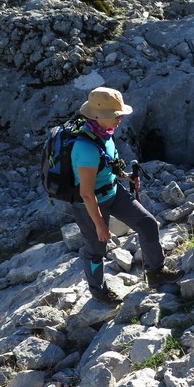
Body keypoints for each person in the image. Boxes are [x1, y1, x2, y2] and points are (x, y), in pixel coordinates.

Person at [72, 86, 183, 304]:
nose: (120, 118)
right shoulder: (85, 148)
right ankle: (99, 292)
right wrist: (100, 225)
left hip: (113, 192)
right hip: (91, 204)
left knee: (148, 224)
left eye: (119, 114)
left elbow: (108, 163)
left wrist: (125, 177)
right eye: (115, 115)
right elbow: (86, 193)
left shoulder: (104, 133)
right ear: (97, 116)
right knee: (96, 250)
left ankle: (156, 273)